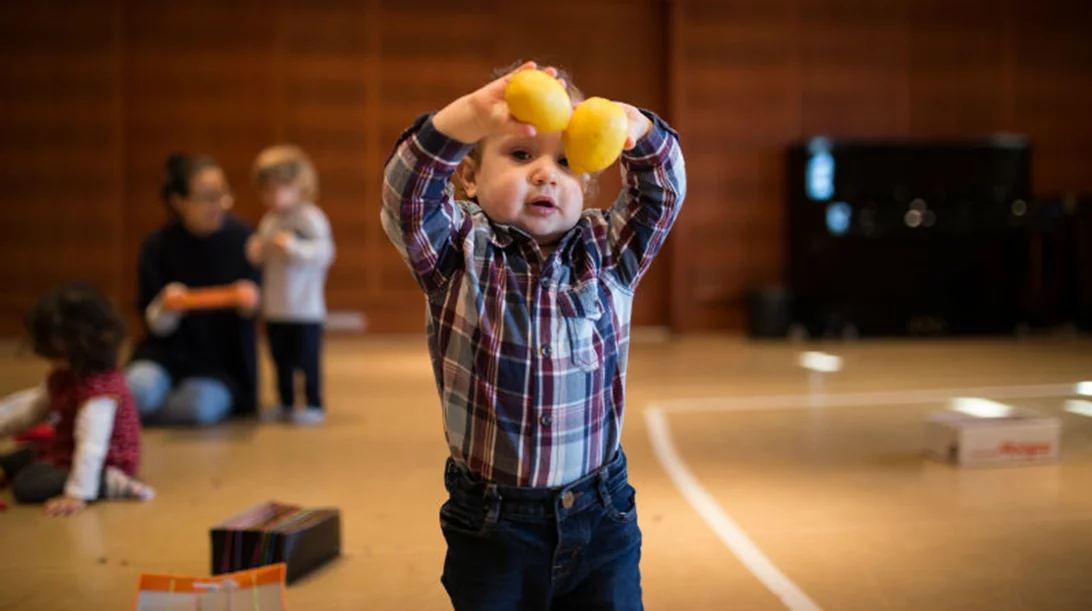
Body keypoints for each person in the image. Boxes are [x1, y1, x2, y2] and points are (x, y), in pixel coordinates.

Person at [380, 61, 686, 610]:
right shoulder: (457, 252)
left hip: (601, 513)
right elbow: (407, 194)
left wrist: (635, 127)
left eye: (566, 163)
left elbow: (661, 194)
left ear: (588, 183)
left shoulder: (608, 252)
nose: (547, 173)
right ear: (470, 177)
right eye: (521, 155)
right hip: (493, 525)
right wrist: (470, 117)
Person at [125, 153, 261, 426]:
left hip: (221, 365)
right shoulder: (157, 245)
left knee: (198, 407)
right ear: (178, 201)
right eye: (206, 197)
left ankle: (132, 417)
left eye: (222, 194)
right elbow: (152, 322)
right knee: (138, 390)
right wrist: (165, 306)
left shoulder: (244, 239)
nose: (217, 205)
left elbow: (259, 306)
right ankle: (133, 412)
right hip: (165, 355)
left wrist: (252, 302)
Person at [0, 283, 155, 516]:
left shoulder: (99, 390)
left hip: (105, 461)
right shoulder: (64, 373)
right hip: (68, 449)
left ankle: (108, 484)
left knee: (27, 486)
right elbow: (33, 411)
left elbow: (91, 444)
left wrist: (78, 493)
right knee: (16, 458)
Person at [246, 144, 334, 425]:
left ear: (298, 185)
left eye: (277, 188)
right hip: (276, 306)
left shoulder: (311, 218)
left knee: (307, 360)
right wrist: (256, 250)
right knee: (279, 359)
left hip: (305, 308)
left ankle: (313, 403)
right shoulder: (270, 220)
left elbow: (324, 254)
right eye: (266, 191)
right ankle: (284, 402)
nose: (271, 197)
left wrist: (294, 246)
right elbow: (260, 255)